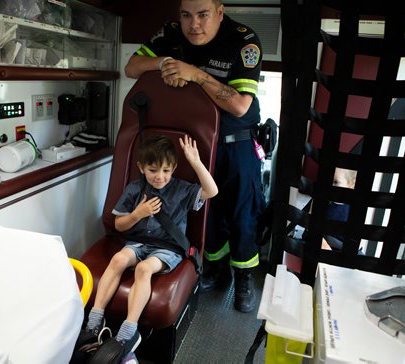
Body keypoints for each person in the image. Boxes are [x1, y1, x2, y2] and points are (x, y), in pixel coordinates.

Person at [124, 0, 265, 313]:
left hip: (236, 143)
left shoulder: (243, 40)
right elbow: (131, 66)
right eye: (186, 15)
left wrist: (196, 74)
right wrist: (166, 64)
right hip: (198, 143)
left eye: (203, 15)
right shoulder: (172, 35)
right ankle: (216, 268)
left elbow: (240, 105)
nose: (194, 25)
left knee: (243, 213)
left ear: (219, 11)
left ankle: (244, 276)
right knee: (206, 213)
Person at [76, 135, 218, 359]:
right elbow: (119, 224)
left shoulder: (182, 189)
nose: (160, 177)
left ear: (173, 169)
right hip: (139, 242)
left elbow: (211, 191)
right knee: (118, 260)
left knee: (144, 270)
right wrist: (137, 214)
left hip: (168, 248)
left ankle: (129, 330)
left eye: (166, 171)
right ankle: (94, 320)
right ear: (141, 168)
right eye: (153, 170)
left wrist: (196, 162)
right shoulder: (135, 189)